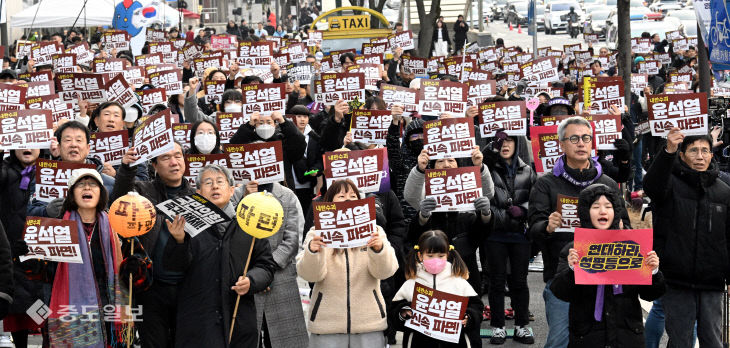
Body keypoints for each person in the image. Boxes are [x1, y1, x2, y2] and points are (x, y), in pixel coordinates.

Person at [528, 116, 629, 348]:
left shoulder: (607, 184)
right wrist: (547, 226)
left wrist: (623, 229)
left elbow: (625, 225)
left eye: (586, 138)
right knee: (560, 341)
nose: (581, 143)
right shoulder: (546, 183)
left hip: (603, 277)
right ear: (561, 144)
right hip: (562, 275)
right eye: (574, 138)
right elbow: (533, 229)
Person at [163, 164, 277, 347]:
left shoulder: (249, 224)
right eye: (208, 183)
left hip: (238, 320)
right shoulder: (186, 225)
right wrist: (178, 241)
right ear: (199, 192)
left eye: (219, 182)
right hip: (199, 324)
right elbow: (173, 268)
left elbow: (267, 266)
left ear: (232, 190)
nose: (214, 186)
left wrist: (251, 280)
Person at [643, 128, 730, 348]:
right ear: (682, 155)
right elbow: (651, 185)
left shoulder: (724, 192)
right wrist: (668, 150)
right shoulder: (669, 184)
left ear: (712, 154)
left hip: (712, 281)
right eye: (693, 151)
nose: (700, 156)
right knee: (680, 339)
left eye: (705, 150)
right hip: (676, 279)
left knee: (713, 339)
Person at [550, 183, 665, 347]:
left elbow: (651, 294)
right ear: (586, 212)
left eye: (608, 206)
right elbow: (560, 292)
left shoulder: (632, 246)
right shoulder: (574, 249)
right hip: (587, 337)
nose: (602, 211)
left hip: (627, 337)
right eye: (595, 206)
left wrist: (653, 271)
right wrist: (571, 270)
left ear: (616, 212)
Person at [297, 179, 399, 348]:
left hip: (369, 324)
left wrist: (379, 249)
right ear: (330, 202)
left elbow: (386, 272)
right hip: (327, 325)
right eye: (341, 196)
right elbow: (310, 275)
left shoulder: (374, 231)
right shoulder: (317, 233)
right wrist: (313, 251)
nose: (348, 200)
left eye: (353, 196)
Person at [113, 142, 196, 348]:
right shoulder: (142, 191)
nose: (174, 162)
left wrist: (180, 240)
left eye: (178, 156)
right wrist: (127, 168)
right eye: (166, 158)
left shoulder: (197, 197)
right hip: (150, 287)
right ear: (154, 165)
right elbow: (119, 201)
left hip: (187, 289)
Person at [48, 169, 126, 346]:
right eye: (81, 184)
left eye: (92, 184)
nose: (87, 188)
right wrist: (33, 261)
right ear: (71, 194)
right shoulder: (58, 229)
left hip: (109, 312)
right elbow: (45, 273)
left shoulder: (116, 225)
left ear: (101, 192)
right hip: (70, 311)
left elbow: (140, 270)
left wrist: (134, 265)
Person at [230, 178, 309, 347]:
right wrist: (245, 200)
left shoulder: (287, 196)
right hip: (244, 278)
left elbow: (292, 241)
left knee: (285, 340)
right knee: (248, 338)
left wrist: (265, 270)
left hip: (280, 277)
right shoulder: (236, 195)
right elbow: (229, 232)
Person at [483, 131, 536, 345]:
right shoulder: (488, 168)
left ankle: (522, 325)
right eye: (501, 141)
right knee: (496, 281)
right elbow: (484, 198)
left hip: (520, 235)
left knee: (519, 282)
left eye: (510, 140)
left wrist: (523, 211)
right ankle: (498, 327)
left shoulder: (527, 169)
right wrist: (506, 216)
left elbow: (535, 199)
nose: (505, 145)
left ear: (517, 143)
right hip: (495, 233)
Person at [391, 230, 483, 347]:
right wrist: (403, 312)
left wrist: (468, 317)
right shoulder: (411, 283)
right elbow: (394, 311)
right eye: (430, 256)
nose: (436, 260)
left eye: (441, 256)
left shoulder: (458, 282)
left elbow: (477, 307)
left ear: (447, 255)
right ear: (420, 255)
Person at [0, 148, 44, 348]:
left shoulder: (50, 171)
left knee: (43, 312)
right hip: (13, 254)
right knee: (19, 313)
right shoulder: (4, 170)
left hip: (43, 257)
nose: (28, 147)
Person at [28, 121, 116, 217]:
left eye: (79, 140)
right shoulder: (42, 177)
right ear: (58, 147)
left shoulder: (108, 182)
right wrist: (45, 211)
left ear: (88, 148)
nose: (73, 145)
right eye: (68, 140)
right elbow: (28, 212)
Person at [230, 111, 306, 189]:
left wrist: (284, 122)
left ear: (275, 125)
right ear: (255, 126)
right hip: (253, 190)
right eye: (261, 123)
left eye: (269, 122)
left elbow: (299, 142)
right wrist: (248, 126)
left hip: (281, 189)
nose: (265, 126)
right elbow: (233, 147)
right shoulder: (248, 141)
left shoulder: (283, 142)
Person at [288, 105, 323, 213]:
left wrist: (315, 170)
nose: (302, 119)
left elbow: (319, 159)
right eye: (298, 116)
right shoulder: (284, 136)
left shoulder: (314, 138)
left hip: (307, 184)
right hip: (289, 184)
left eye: (305, 116)